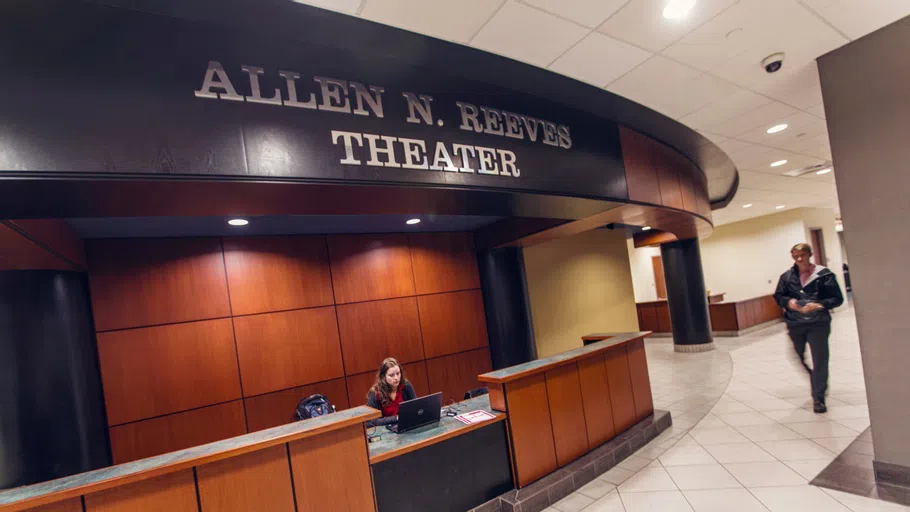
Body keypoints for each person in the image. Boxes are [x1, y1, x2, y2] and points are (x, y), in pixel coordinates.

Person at [774, 243, 844, 413]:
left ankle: (818, 397)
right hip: (795, 323)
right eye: (795, 256)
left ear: (809, 255)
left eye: (802, 255)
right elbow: (779, 296)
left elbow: (837, 298)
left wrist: (819, 305)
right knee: (798, 355)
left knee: (820, 358)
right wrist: (788, 302)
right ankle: (817, 379)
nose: (799, 259)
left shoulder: (823, 274)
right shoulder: (786, 277)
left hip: (818, 323)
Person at [365, 357, 416, 427]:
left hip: (405, 425)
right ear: (383, 377)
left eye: (398, 373)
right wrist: (396, 418)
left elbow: (416, 407)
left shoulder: (405, 385)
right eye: (391, 375)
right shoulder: (375, 393)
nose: (396, 378)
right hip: (386, 430)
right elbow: (370, 421)